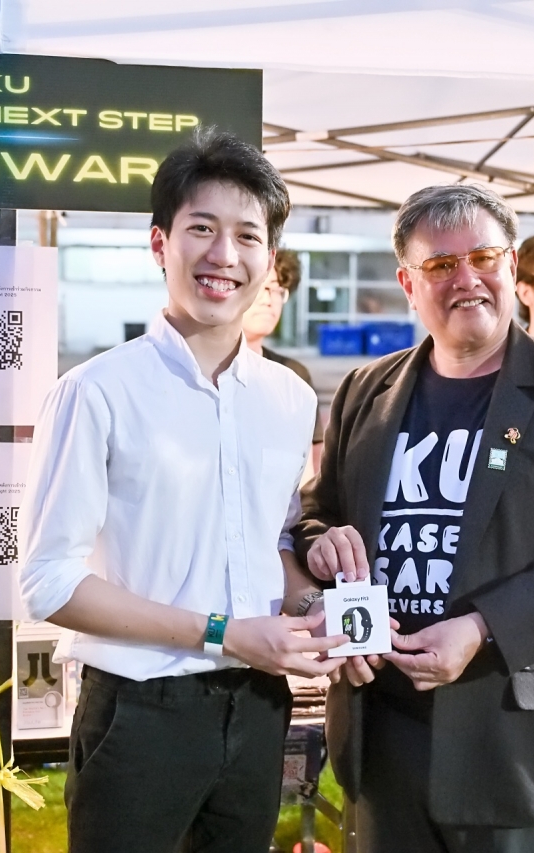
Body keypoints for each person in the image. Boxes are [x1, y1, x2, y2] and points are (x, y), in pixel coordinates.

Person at [293, 184, 534, 853]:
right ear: (408, 283)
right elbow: (320, 514)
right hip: (383, 731)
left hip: (514, 735)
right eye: (441, 264)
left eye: (483, 257)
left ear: (511, 265)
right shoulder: (364, 392)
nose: (466, 279)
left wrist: (483, 626)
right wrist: (322, 546)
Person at [18, 129, 347, 853]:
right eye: (202, 228)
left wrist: (312, 607)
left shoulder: (290, 398)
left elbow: (271, 545)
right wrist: (224, 631)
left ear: (269, 258)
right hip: (140, 714)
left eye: (247, 235)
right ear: (160, 243)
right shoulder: (96, 392)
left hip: (258, 705)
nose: (224, 254)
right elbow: (49, 582)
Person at [241, 248, 324, 471]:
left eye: (278, 291)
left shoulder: (294, 375)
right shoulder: (205, 370)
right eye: (262, 288)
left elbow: (310, 468)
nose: (269, 300)